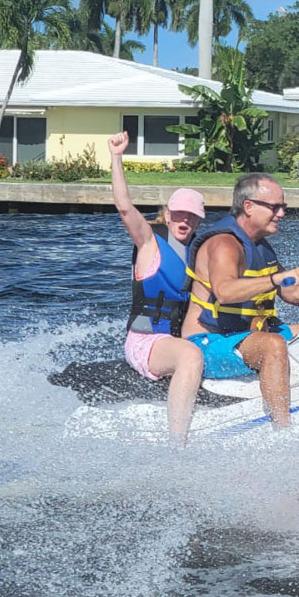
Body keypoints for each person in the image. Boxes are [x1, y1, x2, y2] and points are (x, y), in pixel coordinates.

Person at [182, 172, 299, 427]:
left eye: (283, 207)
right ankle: (282, 430)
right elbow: (225, 292)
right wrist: (277, 279)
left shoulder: (260, 246)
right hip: (208, 343)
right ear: (248, 206)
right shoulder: (223, 244)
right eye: (274, 207)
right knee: (272, 345)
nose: (281, 214)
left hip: (246, 337)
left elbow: (292, 295)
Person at [110, 131, 207, 445]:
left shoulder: (199, 253)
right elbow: (125, 208)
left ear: (198, 222)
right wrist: (116, 156)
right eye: (178, 214)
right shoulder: (150, 242)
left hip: (177, 337)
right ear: (167, 214)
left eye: (191, 217)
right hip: (147, 341)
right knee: (191, 357)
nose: (184, 221)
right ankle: (177, 444)